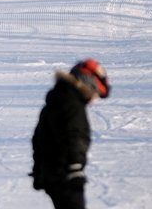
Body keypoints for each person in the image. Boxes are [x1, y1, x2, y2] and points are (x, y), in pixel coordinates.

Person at [31, 58, 110, 209]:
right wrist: (75, 169)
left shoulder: (59, 98)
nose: (94, 99)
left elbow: (39, 138)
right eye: (95, 92)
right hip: (65, 176)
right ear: (87, 84)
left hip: (53, 173)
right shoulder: (71, 104)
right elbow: (74, 136)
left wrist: (39, 168)